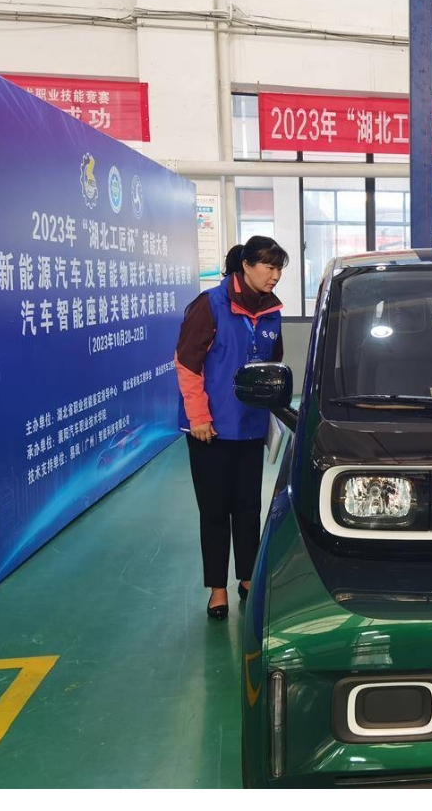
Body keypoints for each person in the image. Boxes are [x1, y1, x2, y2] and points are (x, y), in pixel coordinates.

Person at [175, 236, 288, 619]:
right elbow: (187, 364)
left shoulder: (272, 311)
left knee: (248, 507)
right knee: (214, 510)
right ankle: (217, 589)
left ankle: (248, 578)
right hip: (210, 430)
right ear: (246, 266)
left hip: (250, 426)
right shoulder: (210, 305)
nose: (275, 275)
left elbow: (273, 367)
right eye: (269, 267)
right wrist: (198, 418)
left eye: (279, 268)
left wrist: (274, 413)